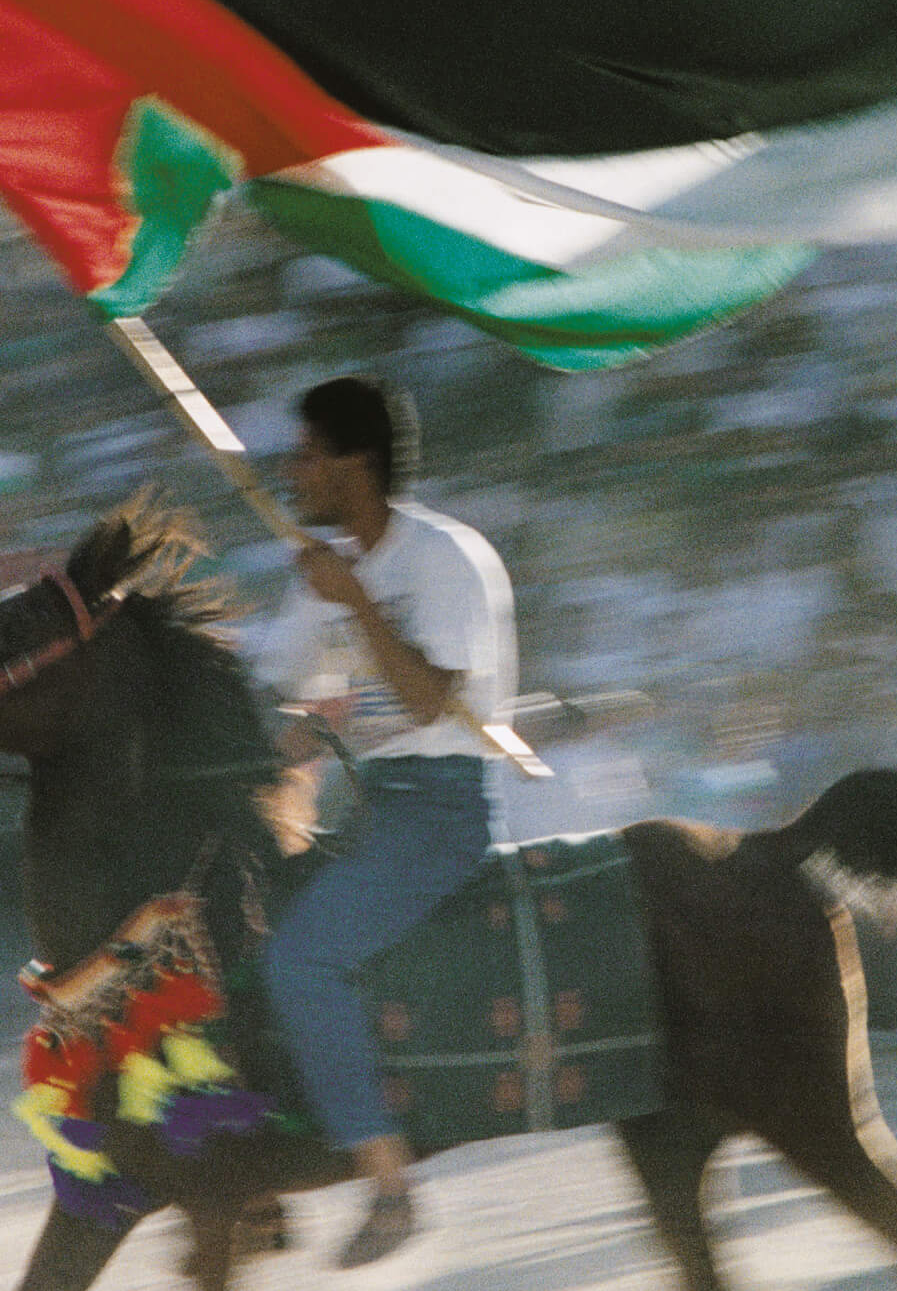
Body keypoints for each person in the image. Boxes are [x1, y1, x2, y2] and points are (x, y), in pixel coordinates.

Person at [253, 376, 514, 1268]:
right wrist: (294, 725)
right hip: (372, 805)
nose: (290, 469)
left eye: (305, 452)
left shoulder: (446, 555)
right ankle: (257, 1177)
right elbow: (276, 695)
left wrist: (353, 600)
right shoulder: (321, 564)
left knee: (303, 957)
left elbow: (430, 700)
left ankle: (390, 1184)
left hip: (440, 810)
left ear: (353, 461)